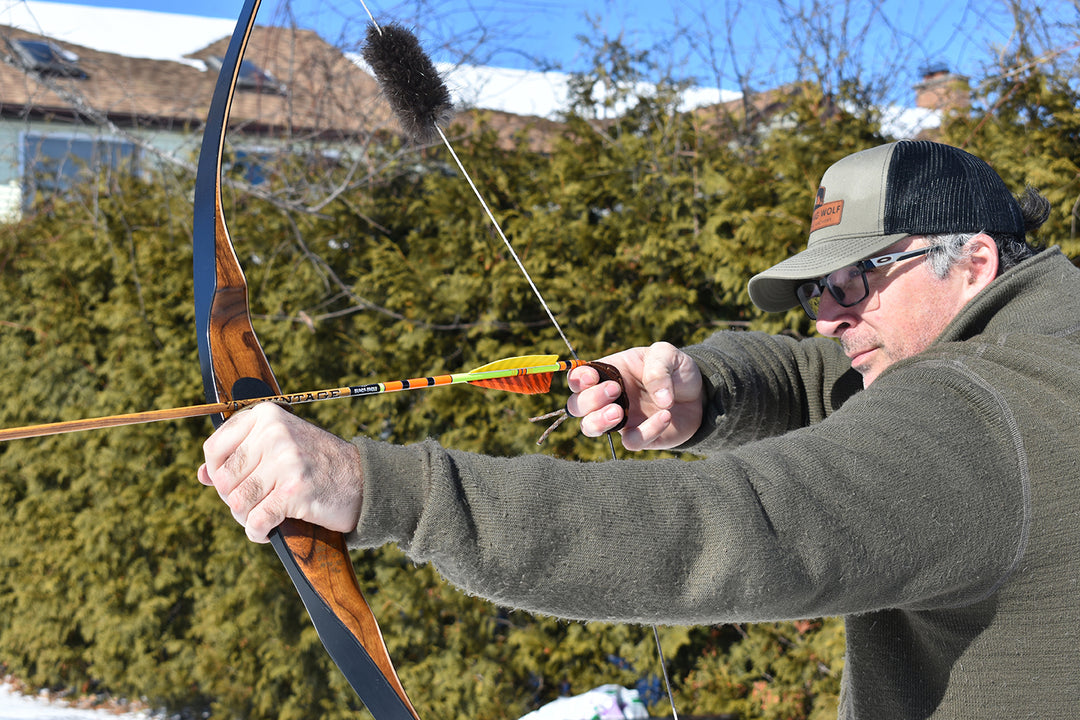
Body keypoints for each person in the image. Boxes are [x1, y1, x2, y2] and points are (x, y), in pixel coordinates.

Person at [199, 139, 1080, 718]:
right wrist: (708, 389)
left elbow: (735, 528)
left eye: (853, 284)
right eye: (818, 293)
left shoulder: (986, 418)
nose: (826, 318)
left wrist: (379, 488)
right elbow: (824, 378)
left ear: (974, 261)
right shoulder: (1044, 353)